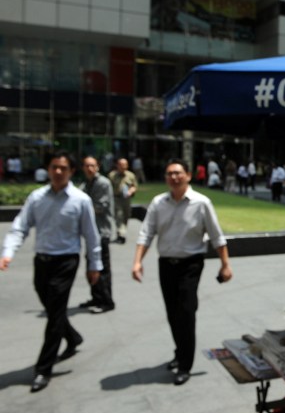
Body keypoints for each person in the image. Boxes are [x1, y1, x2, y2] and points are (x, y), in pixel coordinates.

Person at [1, 150, 102, 393]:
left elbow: (91, 235)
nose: (58, 172)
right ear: (48, 169)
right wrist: (8, 253)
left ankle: (43, 369)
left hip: (66, 262)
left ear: (71, 171)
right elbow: (20, 227)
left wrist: (94, 265)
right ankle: (73, 337)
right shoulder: (37, 198)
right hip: (42, 261)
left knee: (54, 313)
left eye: (63, 168)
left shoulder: (80, 200)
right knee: (52, 308)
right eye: (54, 167)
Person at [131, 159, 232, 386]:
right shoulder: (158, 203)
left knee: (186, 312)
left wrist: (225, 264)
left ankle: (185, 365)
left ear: (188, 175)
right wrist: (137, 262)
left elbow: (217, 236)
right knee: (172, 313)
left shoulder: (201, 203)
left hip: (191, 264)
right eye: (169, 174)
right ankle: (180, 352)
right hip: (166, 264)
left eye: (178, 173)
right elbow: (146, 234)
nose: (174, 177)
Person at [79, 156, 115, 313]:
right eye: (86, 165)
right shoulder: (86, 183)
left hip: (101, 232)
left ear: (98, 167)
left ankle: (107, 301)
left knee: (102, 268)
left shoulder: (102, 183)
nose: (89, 168)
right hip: (90, 233)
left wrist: (79, 210)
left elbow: (99, 206)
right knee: (91, 265)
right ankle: (96, 297)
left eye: (92, 165)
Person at [108, 158, 138, 244]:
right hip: (116, 198)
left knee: (126, 216)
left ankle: (121, 233)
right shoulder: (112, 175)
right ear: (117, 165)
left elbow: (134, 186)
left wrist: (131, 190)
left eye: (125, 165)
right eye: (121, 165)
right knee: (119, 216)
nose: (123, 166)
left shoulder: (131, 175)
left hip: (126, 199)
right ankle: (121, 234)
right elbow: (108, 187)